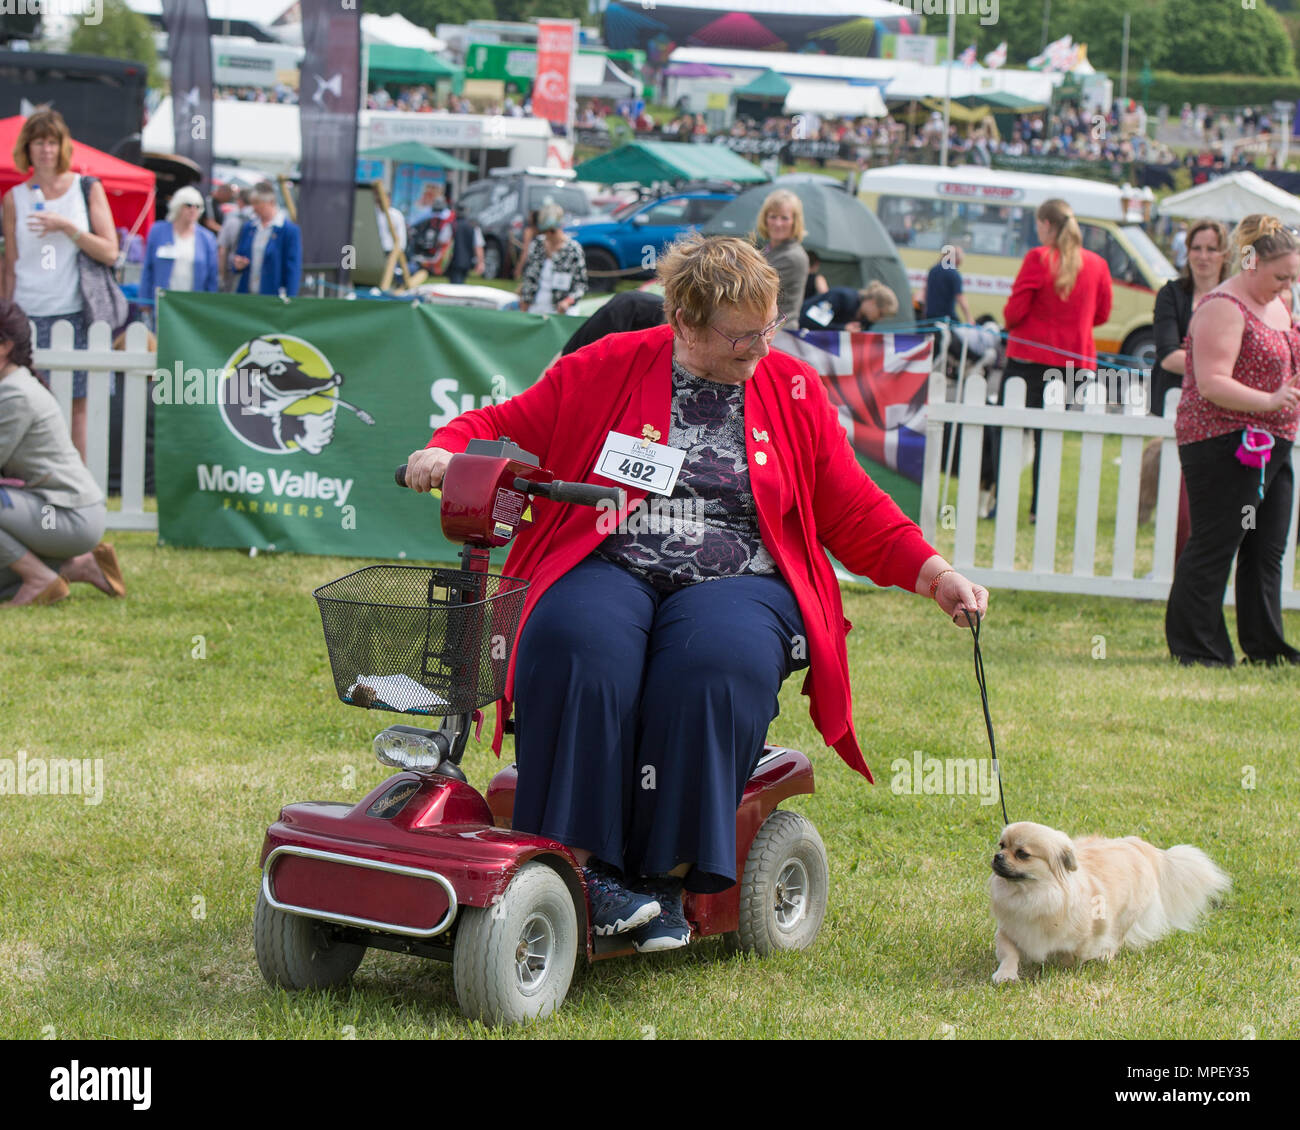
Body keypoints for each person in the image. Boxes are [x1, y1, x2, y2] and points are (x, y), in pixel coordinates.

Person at [402, 235, 988, 951]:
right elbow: (501, 424)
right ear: (683, 320)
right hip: (610, 558)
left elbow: (854, 510)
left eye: (768, 327)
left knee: (715, 664)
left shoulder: (793, 391)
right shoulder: (610, 365)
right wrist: (444, 447)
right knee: (575, 642)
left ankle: (665, 877)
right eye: (741, 335)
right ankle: (580, 870)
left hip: (739, 575)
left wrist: (935, 574)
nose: (759, 348)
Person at [1165, 216, 1300, 667]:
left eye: (1293, 276)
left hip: (1274, 442)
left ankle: (1266, 648)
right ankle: (1196, 648)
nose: (1288, 283)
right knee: (1217, 542)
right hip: (1222, 439)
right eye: (1281, 275)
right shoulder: (1223, 306)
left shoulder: (1280, 303)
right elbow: (1211, 382)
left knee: (1267, 549)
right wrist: (1271, 399)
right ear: (1251, 262)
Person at [2, 109, 120, 462]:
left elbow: (111, 251)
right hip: (26, 311)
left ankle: (73, 487)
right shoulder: (13, 198)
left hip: (73, 310)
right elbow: (11, 264)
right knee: (24, 405)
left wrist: (67, 227)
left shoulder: (86, 188)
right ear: (28, 148)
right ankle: (31, 486)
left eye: (52, 142)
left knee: (75, 410)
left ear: (63, 147)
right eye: (38, 142)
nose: (46, 150)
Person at [0, 299, 125, 606]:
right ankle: (79, 567)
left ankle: (40, 578)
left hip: (69, 516)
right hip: (48, 510)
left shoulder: (16, 395)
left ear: (4, 346)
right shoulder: (12, 386)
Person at [1002, 198, 1113, 519]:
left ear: (1047, 225)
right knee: (1048, 439)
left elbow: (1014, 312)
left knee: (1010, 433)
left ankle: (1001, 501)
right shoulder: (1097, 264)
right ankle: (1040, 508)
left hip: (1028, 359)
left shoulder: (1038, 258)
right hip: (1072, 364)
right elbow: (1102, 314)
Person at [139, 186, 220, 311]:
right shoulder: (158, 230)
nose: (193, 209)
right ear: (178, 206)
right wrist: (144, 300)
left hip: (193, 303)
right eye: (188, 205)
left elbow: (212, 277)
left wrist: (210, 306)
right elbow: (148, 269)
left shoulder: (207, 238)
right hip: (163, 301)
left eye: (197, 206)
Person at [231, 182, 302, 297]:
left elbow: (293, 268)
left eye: (258, 203)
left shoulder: (289, 230)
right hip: (247, 295)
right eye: (252, 203)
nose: (254, 207)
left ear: (271, 202)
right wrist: (238, 264)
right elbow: (239, 255)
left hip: (272, 297)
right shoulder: (249, 228)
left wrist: (290, 298)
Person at [517, 203, 586, 315]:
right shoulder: (537, 245)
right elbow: (529, 278)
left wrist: (567, 302)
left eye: (552, 230)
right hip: (537, 306)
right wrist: (525, 300)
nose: (549, 234)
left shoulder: (573, 249)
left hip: (562, 310)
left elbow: (580, 286)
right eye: (545, 231)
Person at [755, 189, 809, 325]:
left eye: (784, 218)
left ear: (794, 222)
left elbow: (755, 290)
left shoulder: (793, 257)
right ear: (765, 218)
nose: (778, 223)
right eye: (773, 216)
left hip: (780, 332)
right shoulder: (769, 249)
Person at [799, 282, 899, 332]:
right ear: (873, 302)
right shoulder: (842, 298)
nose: (880, 319)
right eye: (881, 314)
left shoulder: (866, 321)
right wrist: (843, 328)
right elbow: (810, 321)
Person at [920, 247, 972, 324]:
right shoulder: (954, 274)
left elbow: (925, 291)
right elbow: (960, 297)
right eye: (961, 257)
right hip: (946, 318)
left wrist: (924, 311)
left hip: (930, 317)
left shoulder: (933, 270)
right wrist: (969, 318)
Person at [217, 187, 253, 293]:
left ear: (240, 201)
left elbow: (222, 251)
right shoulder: (259, 221)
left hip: (232, 272)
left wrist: (222, 276)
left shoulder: (231, 220)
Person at [444, 195, 485, 285]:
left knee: (455, 284)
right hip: (467, 261)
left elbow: (443, 241)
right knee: (460, 282)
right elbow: (478, 246)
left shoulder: (451, 225)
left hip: (453, 261)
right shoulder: (473, 226)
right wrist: (480, 262)